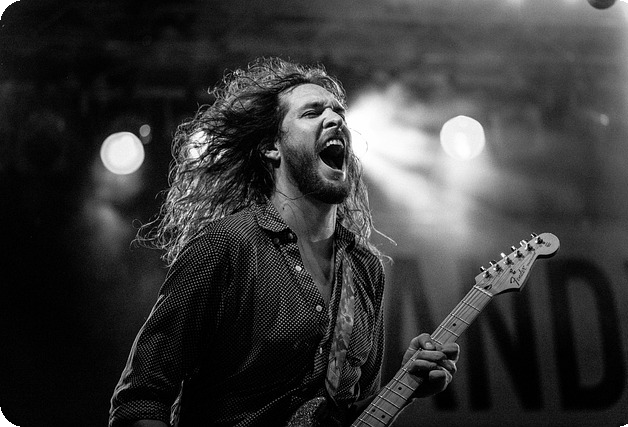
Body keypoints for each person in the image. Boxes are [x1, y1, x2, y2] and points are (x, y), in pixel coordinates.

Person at [109, 57, 459, 427]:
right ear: (271, 148)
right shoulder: (226, 245)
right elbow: (140, 401)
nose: (335, 119)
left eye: (339, 112)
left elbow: (352, 413)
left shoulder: (365, 268)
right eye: (312, 112)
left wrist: (408, 384)